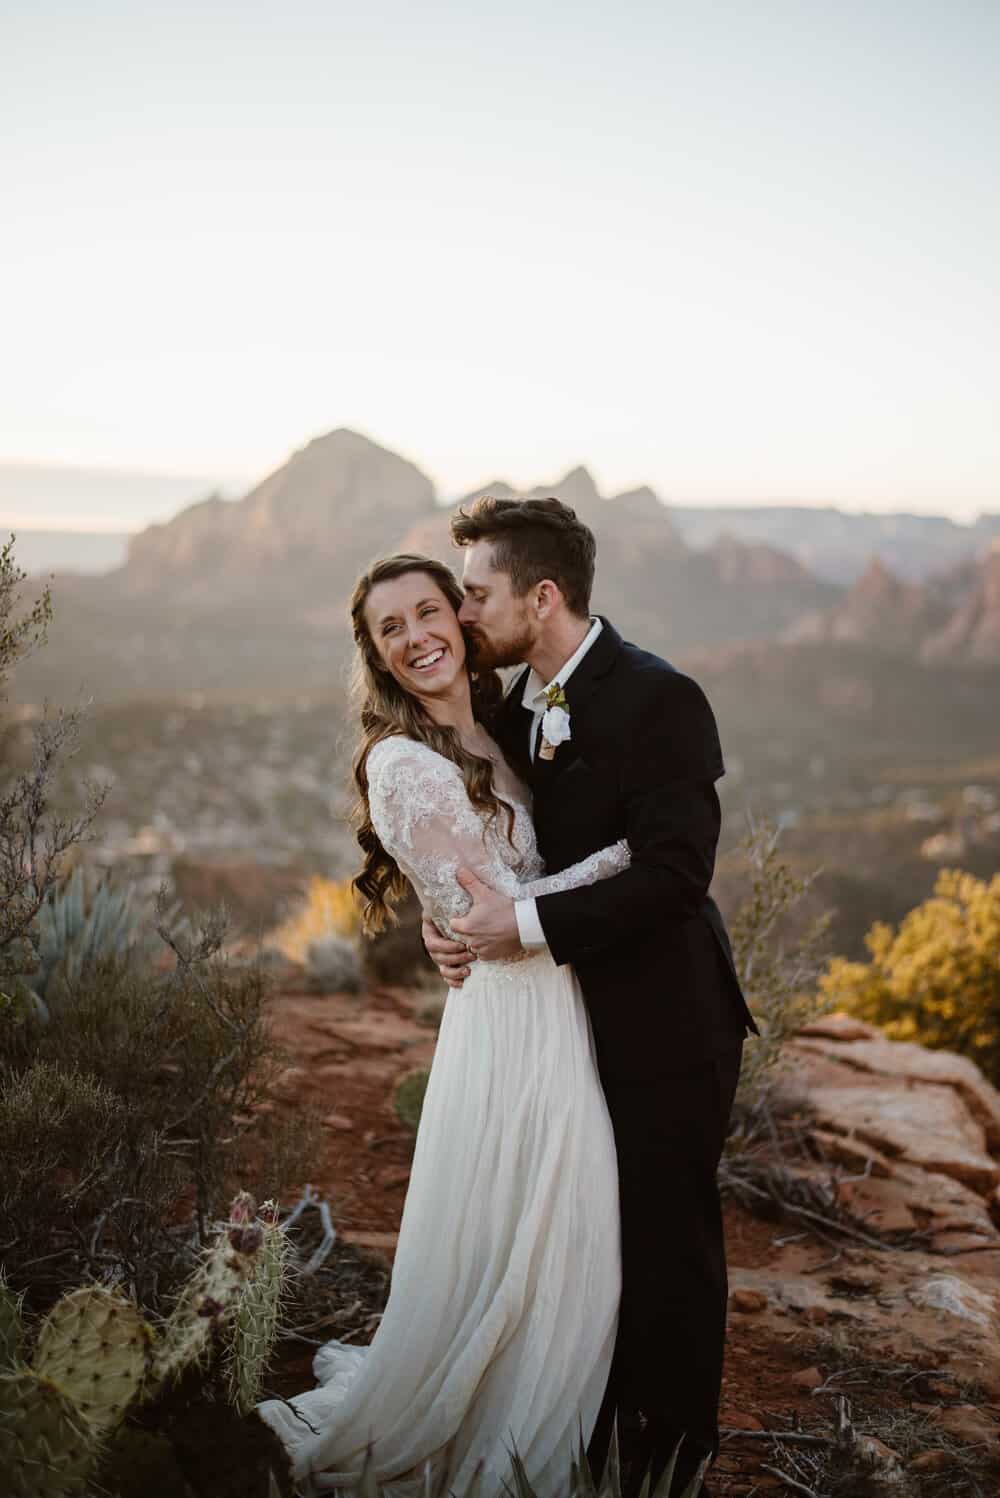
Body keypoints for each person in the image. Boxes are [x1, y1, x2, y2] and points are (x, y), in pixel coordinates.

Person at [257, 552, 633, 1497]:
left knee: (555, 1230)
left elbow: (480, 900)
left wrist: (450, 917)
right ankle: (503, 1434)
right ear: (377, 656)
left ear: (462, 624)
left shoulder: (498, 729)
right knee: (535, 1226)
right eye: (393, 629)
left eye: (431, 612)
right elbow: (495, 916)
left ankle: (543, 1408)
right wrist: (627, 861)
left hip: (553, 1008)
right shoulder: (403, 762)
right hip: (514, 1023)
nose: (418, 636)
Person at [422, 496, 758, 1498]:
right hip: (561, 1021)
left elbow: (674, 875)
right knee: (584, 1226)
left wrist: (515, 929)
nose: (461, 615)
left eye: (474, 596)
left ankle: (668, 1461)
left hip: (667, 1017)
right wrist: (443, 921)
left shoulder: (663, 697)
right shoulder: (507, 700)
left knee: (666, 1239)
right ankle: (583, 1432)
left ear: (543, 595)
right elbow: (481, 836)